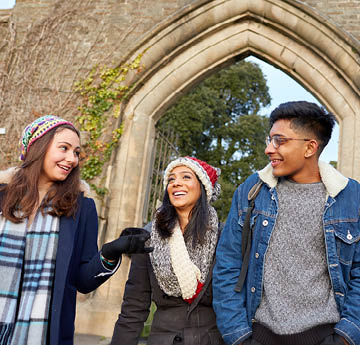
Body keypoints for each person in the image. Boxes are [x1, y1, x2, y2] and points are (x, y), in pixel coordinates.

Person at [213, 101, 358, 345]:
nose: (269, 149)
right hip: (258, 335)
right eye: (269, 140)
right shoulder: (252, 190)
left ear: (310, 147)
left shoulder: (350, 196)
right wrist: (238, 337)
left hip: (326, 336)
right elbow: (227, 265)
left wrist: (346, 337)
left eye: (280, 140)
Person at [0, 115, 152, 345]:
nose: (71, 159)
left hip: (43, 334)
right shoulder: (2, 195)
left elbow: (83, 280)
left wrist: (110, 252)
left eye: (76, 153)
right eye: (64, 148)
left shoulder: (81, 208)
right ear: (37, 148)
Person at [111, 156, 226, 345]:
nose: (176, 183)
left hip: (210, 339)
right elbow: (134, 307)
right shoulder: (148, 237)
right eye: (171, 179)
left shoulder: (224, 235)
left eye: (186, 177)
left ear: (203, 188)